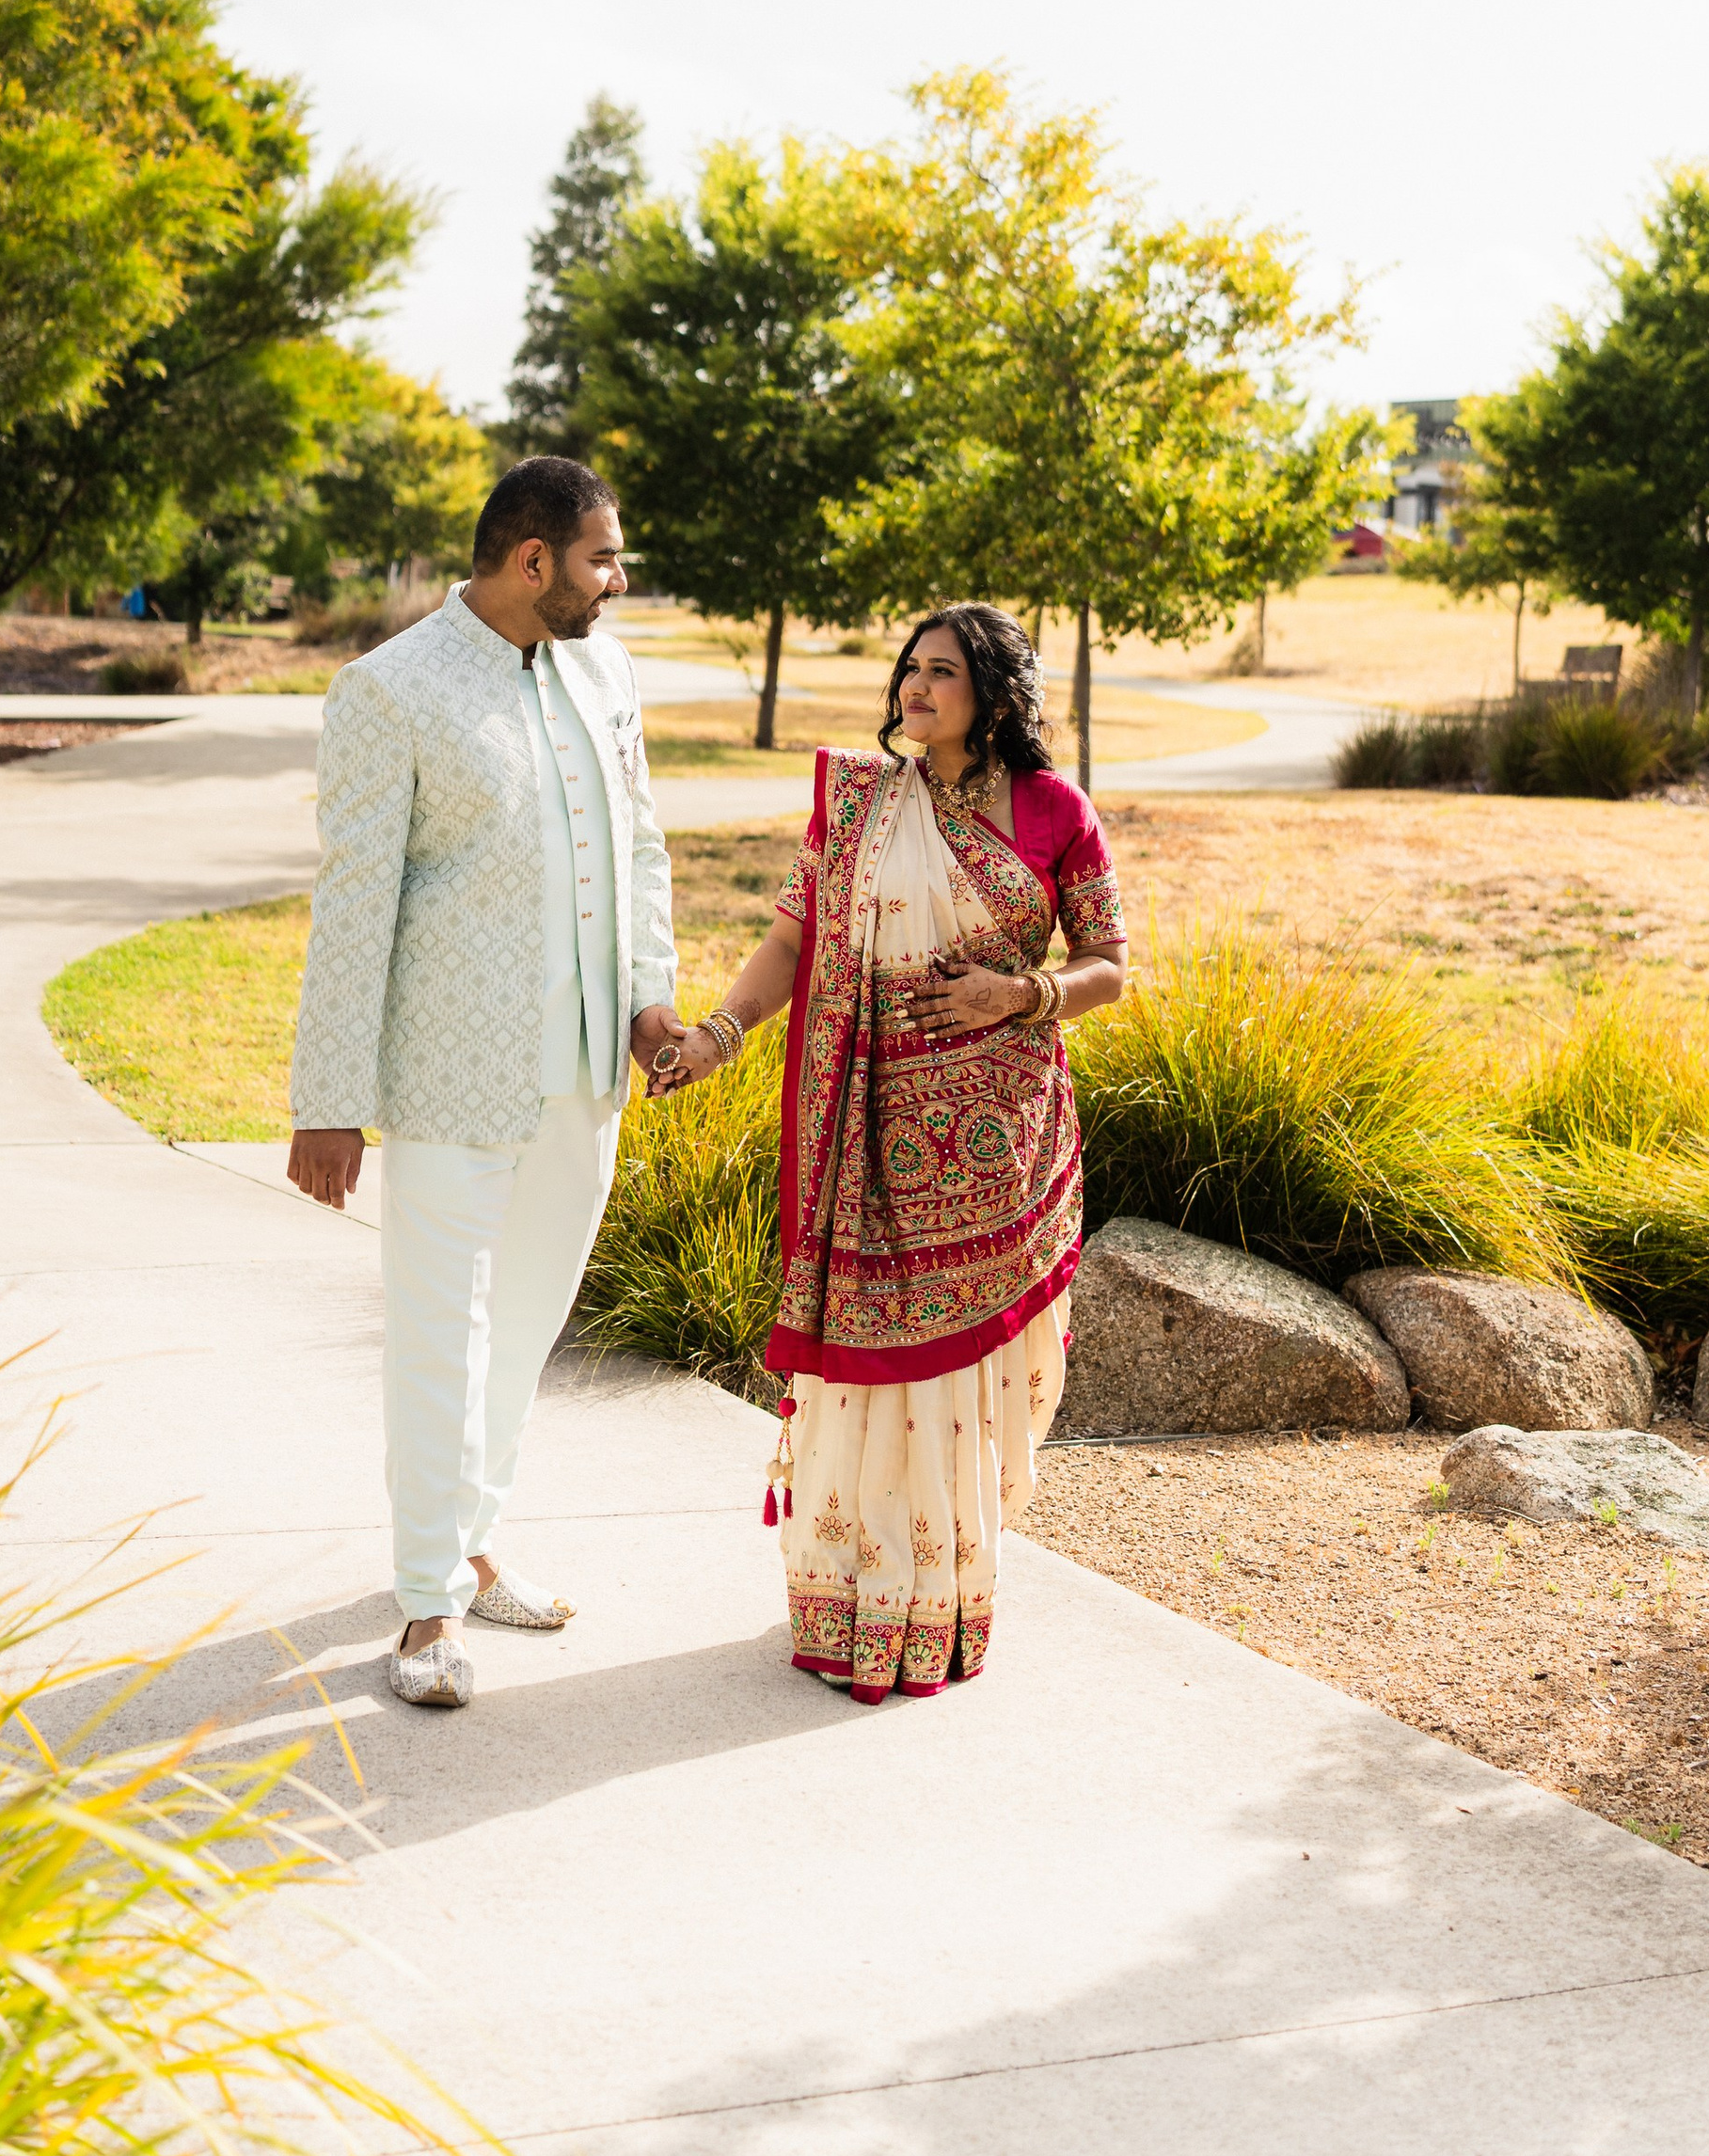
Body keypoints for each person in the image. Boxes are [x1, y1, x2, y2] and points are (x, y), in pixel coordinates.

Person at [647, 605, 1126, 1702]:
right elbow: (792, 938)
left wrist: (1024, 991)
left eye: (942, 672)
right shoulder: (859, 805)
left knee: (966, 1381)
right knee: (871, 1383)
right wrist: (716, 1038)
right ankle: (851, 1605)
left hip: (996, 1146)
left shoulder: (1056, 810)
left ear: (994, 695)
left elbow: (1112, 964)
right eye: (909, 669)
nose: (915, 688)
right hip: (863, 1146)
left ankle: (942, 1606)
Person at [286, 456, 682, 1710]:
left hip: (580, 1072)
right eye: (601, 562)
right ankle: (422, 1613)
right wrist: (328, 1097)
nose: (616, 583)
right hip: (451, 1070)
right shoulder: (389, 692)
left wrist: (650, 994)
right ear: (530, 561)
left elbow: (641, 839)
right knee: (438, 1335)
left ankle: (470, 1543)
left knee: (521, 1330)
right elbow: (353, 906)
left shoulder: (605, 671)